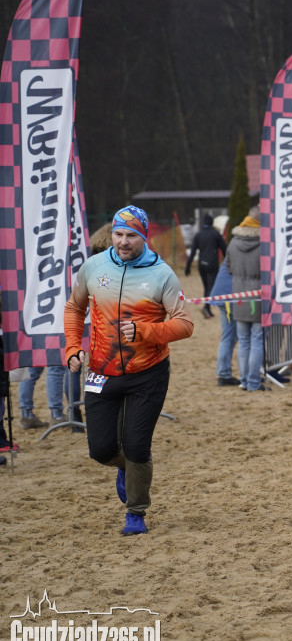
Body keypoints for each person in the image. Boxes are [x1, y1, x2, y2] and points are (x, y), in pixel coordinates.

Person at [63, 205, 194, 535]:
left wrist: (145, 331)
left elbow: (185, 324)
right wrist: (72, 346)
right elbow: (74, 308)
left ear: (143, 237)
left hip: (147, 372)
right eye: (119, 234)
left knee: (137, 446)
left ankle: (135, 512)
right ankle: (127, 469)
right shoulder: (93, 267)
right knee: (101, 450)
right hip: (102, 371)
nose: (123, 242)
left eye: (131, 235)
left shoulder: (162, 274)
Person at [225, 213, 266, 391]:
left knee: (243, 341)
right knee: (257, 340)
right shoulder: (263, 245)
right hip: (257, 295)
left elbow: (229, 268)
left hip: (239, 295)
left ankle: (244, 380)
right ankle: (254, 381)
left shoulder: (232, 243)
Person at [185, 214, 227, 319]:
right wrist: (228, 263)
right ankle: (206, 307)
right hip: (212, 264)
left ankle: (207, 308)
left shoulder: (198, 235)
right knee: (211, 287)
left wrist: (188, 266)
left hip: (201, 265)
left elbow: (193, 252)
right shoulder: (216, 234)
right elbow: (224, 249)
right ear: (212, 223)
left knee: (206, 287)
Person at [209, 262, 239, 385]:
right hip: (234, 296)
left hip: (221, 296)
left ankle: (223, 374)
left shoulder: (232, 248)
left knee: (227, 337)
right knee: (244, 337)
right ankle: (249, 374)